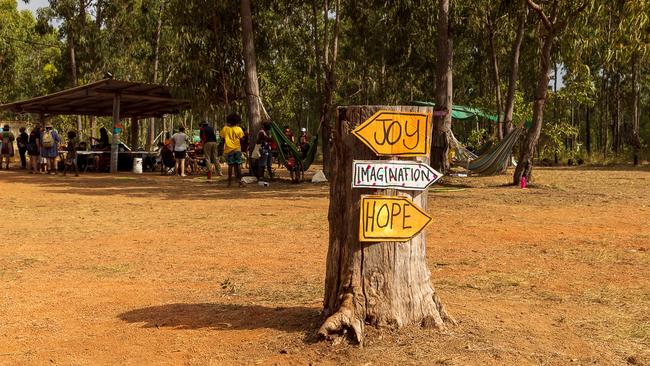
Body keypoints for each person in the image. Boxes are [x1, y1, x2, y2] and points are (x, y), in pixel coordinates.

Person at [220, 113, 245, 187]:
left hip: (229, 150)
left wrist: (222, 148)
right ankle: (240, 182)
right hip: (237, 149)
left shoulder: (225, 128)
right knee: (238, 165)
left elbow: (222, 139)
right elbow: (242, 139)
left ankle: (229, 182)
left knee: (230, 166)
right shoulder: (239, 129)